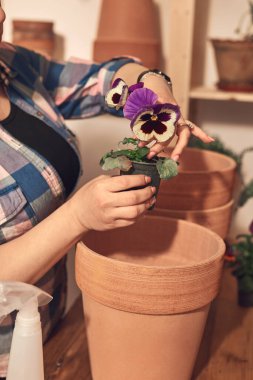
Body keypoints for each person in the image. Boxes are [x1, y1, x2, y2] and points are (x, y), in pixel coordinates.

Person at [0, 2, 213, 377]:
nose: (1, 15)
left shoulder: (11, 67)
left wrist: (154, 90)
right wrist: (79, 216)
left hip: (49, 330)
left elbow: (106, 76)